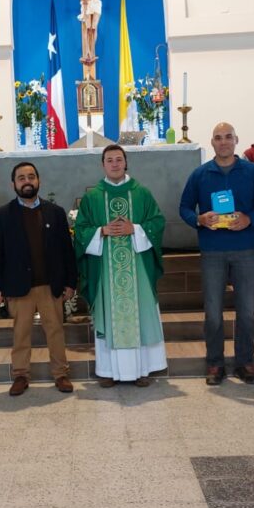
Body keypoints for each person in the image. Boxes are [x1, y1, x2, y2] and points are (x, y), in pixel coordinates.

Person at [179, 122, 254, 385]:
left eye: (228, 137)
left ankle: (245, 362)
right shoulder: (200, 174)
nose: (223, 142)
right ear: (212, 142)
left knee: (245, 309)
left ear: (236, 140)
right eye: (218, 138)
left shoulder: (252, 172)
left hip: (244, 249)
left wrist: (249, 219)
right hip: (212, 250)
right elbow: (184, 207)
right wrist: (199, 219)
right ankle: (215, 363)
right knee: (213, 311)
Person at [75, 145, 167, 386]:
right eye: (109, 160)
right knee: (109, 313)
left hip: (137, 268)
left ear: (125, 163)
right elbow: (81, 231)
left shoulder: (142, 193)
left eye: (119, 159)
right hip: (106, 270)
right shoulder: (93, 196)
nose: (114, 164)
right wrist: (102, 231)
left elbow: (157, 222)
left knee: (139, 314)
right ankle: (107, 372)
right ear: (103, 165)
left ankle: (142, 370)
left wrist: (134, 229)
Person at [0, 162, 77, 396]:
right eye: (21, 178)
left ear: (38, 180)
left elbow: (66, 250)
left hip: (51, 284)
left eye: (31, 177)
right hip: (19, 286)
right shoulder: (2, 215)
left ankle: (61, 374)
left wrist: (71, 282)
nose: (26, 181)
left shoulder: (55, 212)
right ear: (13, 184)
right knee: (21, 333)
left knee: (55, 331)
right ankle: (20, 375)